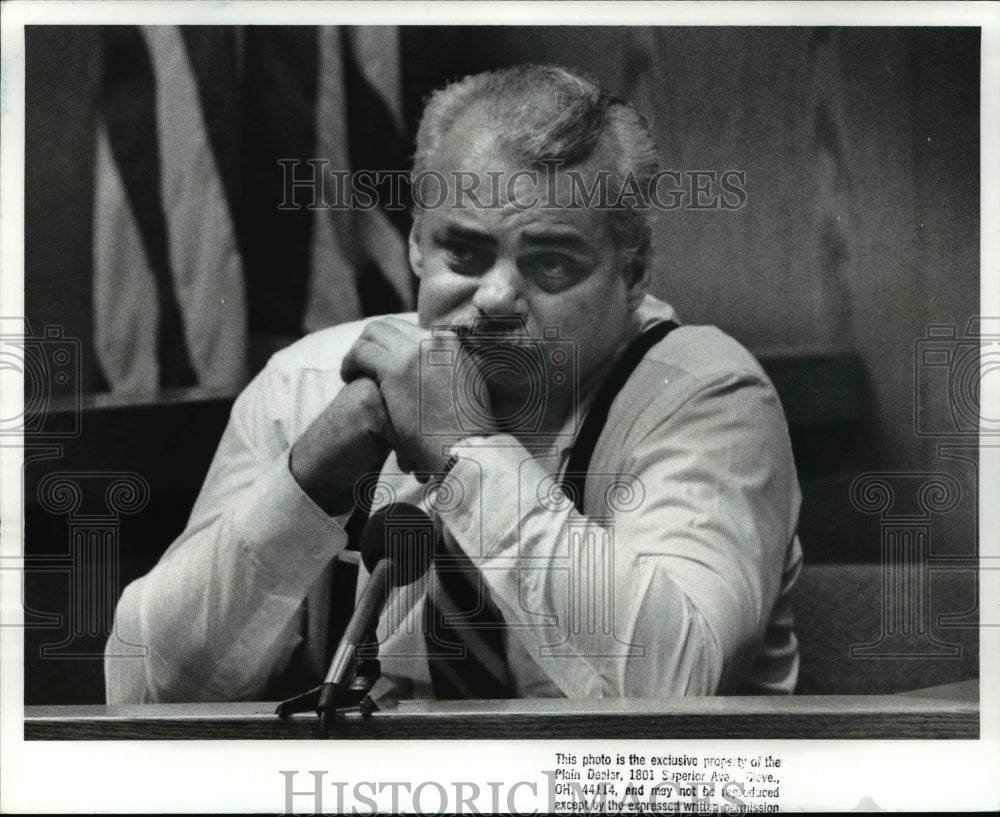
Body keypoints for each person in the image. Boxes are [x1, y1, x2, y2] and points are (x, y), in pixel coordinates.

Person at [105, 65, 802, 704]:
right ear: (415, 243)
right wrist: (309, 479)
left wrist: (464, 446)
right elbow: (143, 691)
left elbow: (674, 689)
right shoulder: (309, 384)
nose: (496, 295)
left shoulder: (705, 394)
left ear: (634, 271)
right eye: (463, 252)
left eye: (552, 262)